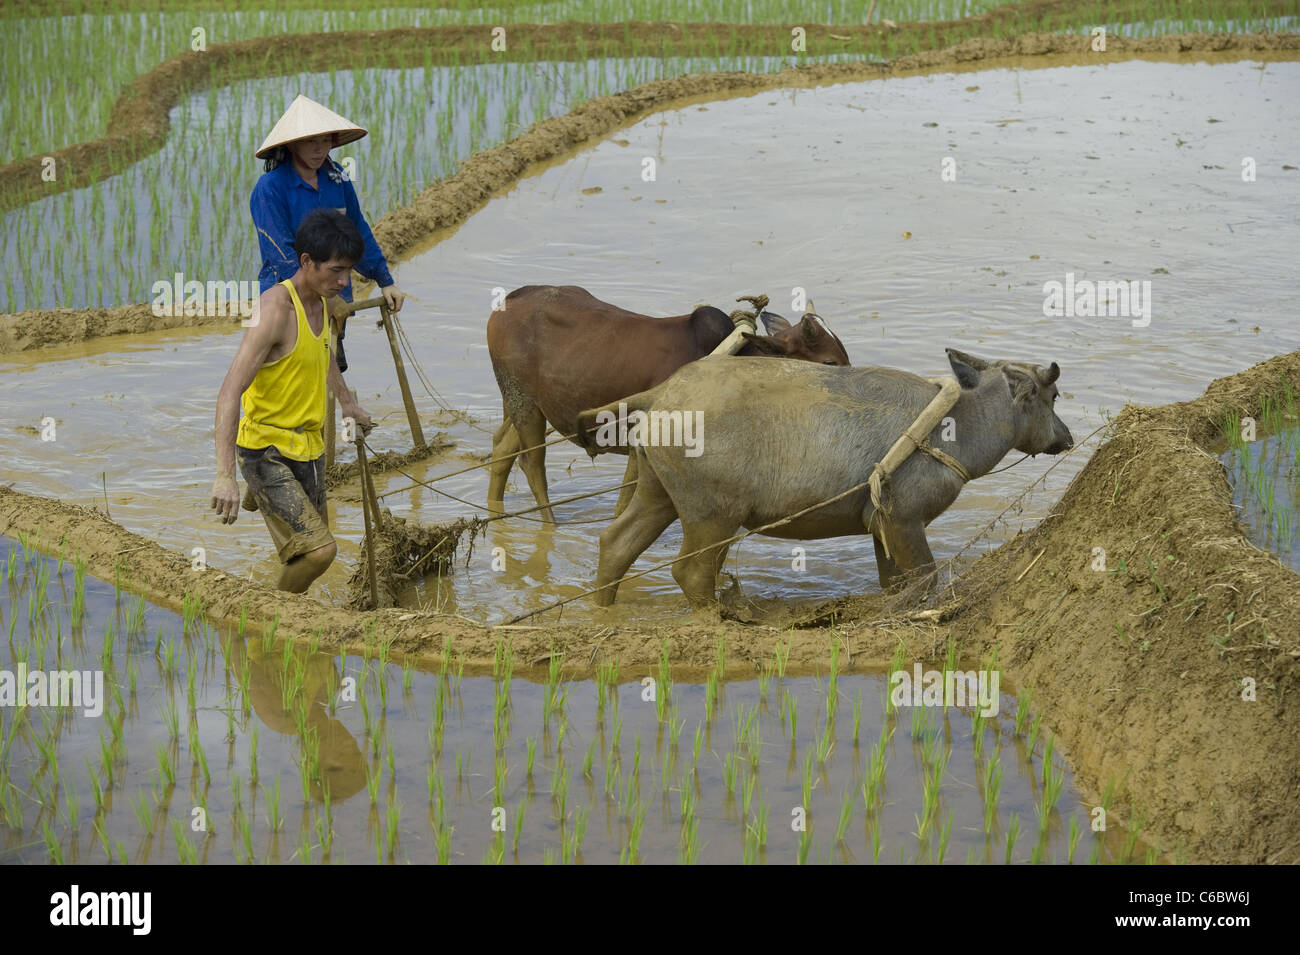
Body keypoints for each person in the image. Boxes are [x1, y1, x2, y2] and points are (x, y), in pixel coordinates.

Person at [211, 209, 374, 593]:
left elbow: (323, 356)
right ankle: (269, 614)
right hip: (265, 448)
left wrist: (347, 403)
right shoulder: (274, 311)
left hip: (308, 446)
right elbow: (229, 391)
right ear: (306, 262)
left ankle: (286, 625)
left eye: (349, 270)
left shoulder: (325, 304)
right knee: (320, 552)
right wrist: (224, 475)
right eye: (335, 270)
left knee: (308, 553)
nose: (344, 281)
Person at [250, 94, 406, 374]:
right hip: (285, 301)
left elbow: (357, 232)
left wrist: (385, 281)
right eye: (311, 141)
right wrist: (325, 299)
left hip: (334, 296)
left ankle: (340, 414)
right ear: (292, 143)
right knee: (288, 378)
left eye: (325, 140)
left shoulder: (338, 179)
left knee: (329, 381)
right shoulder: (270, 188)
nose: (319, 149)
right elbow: (281, 254)